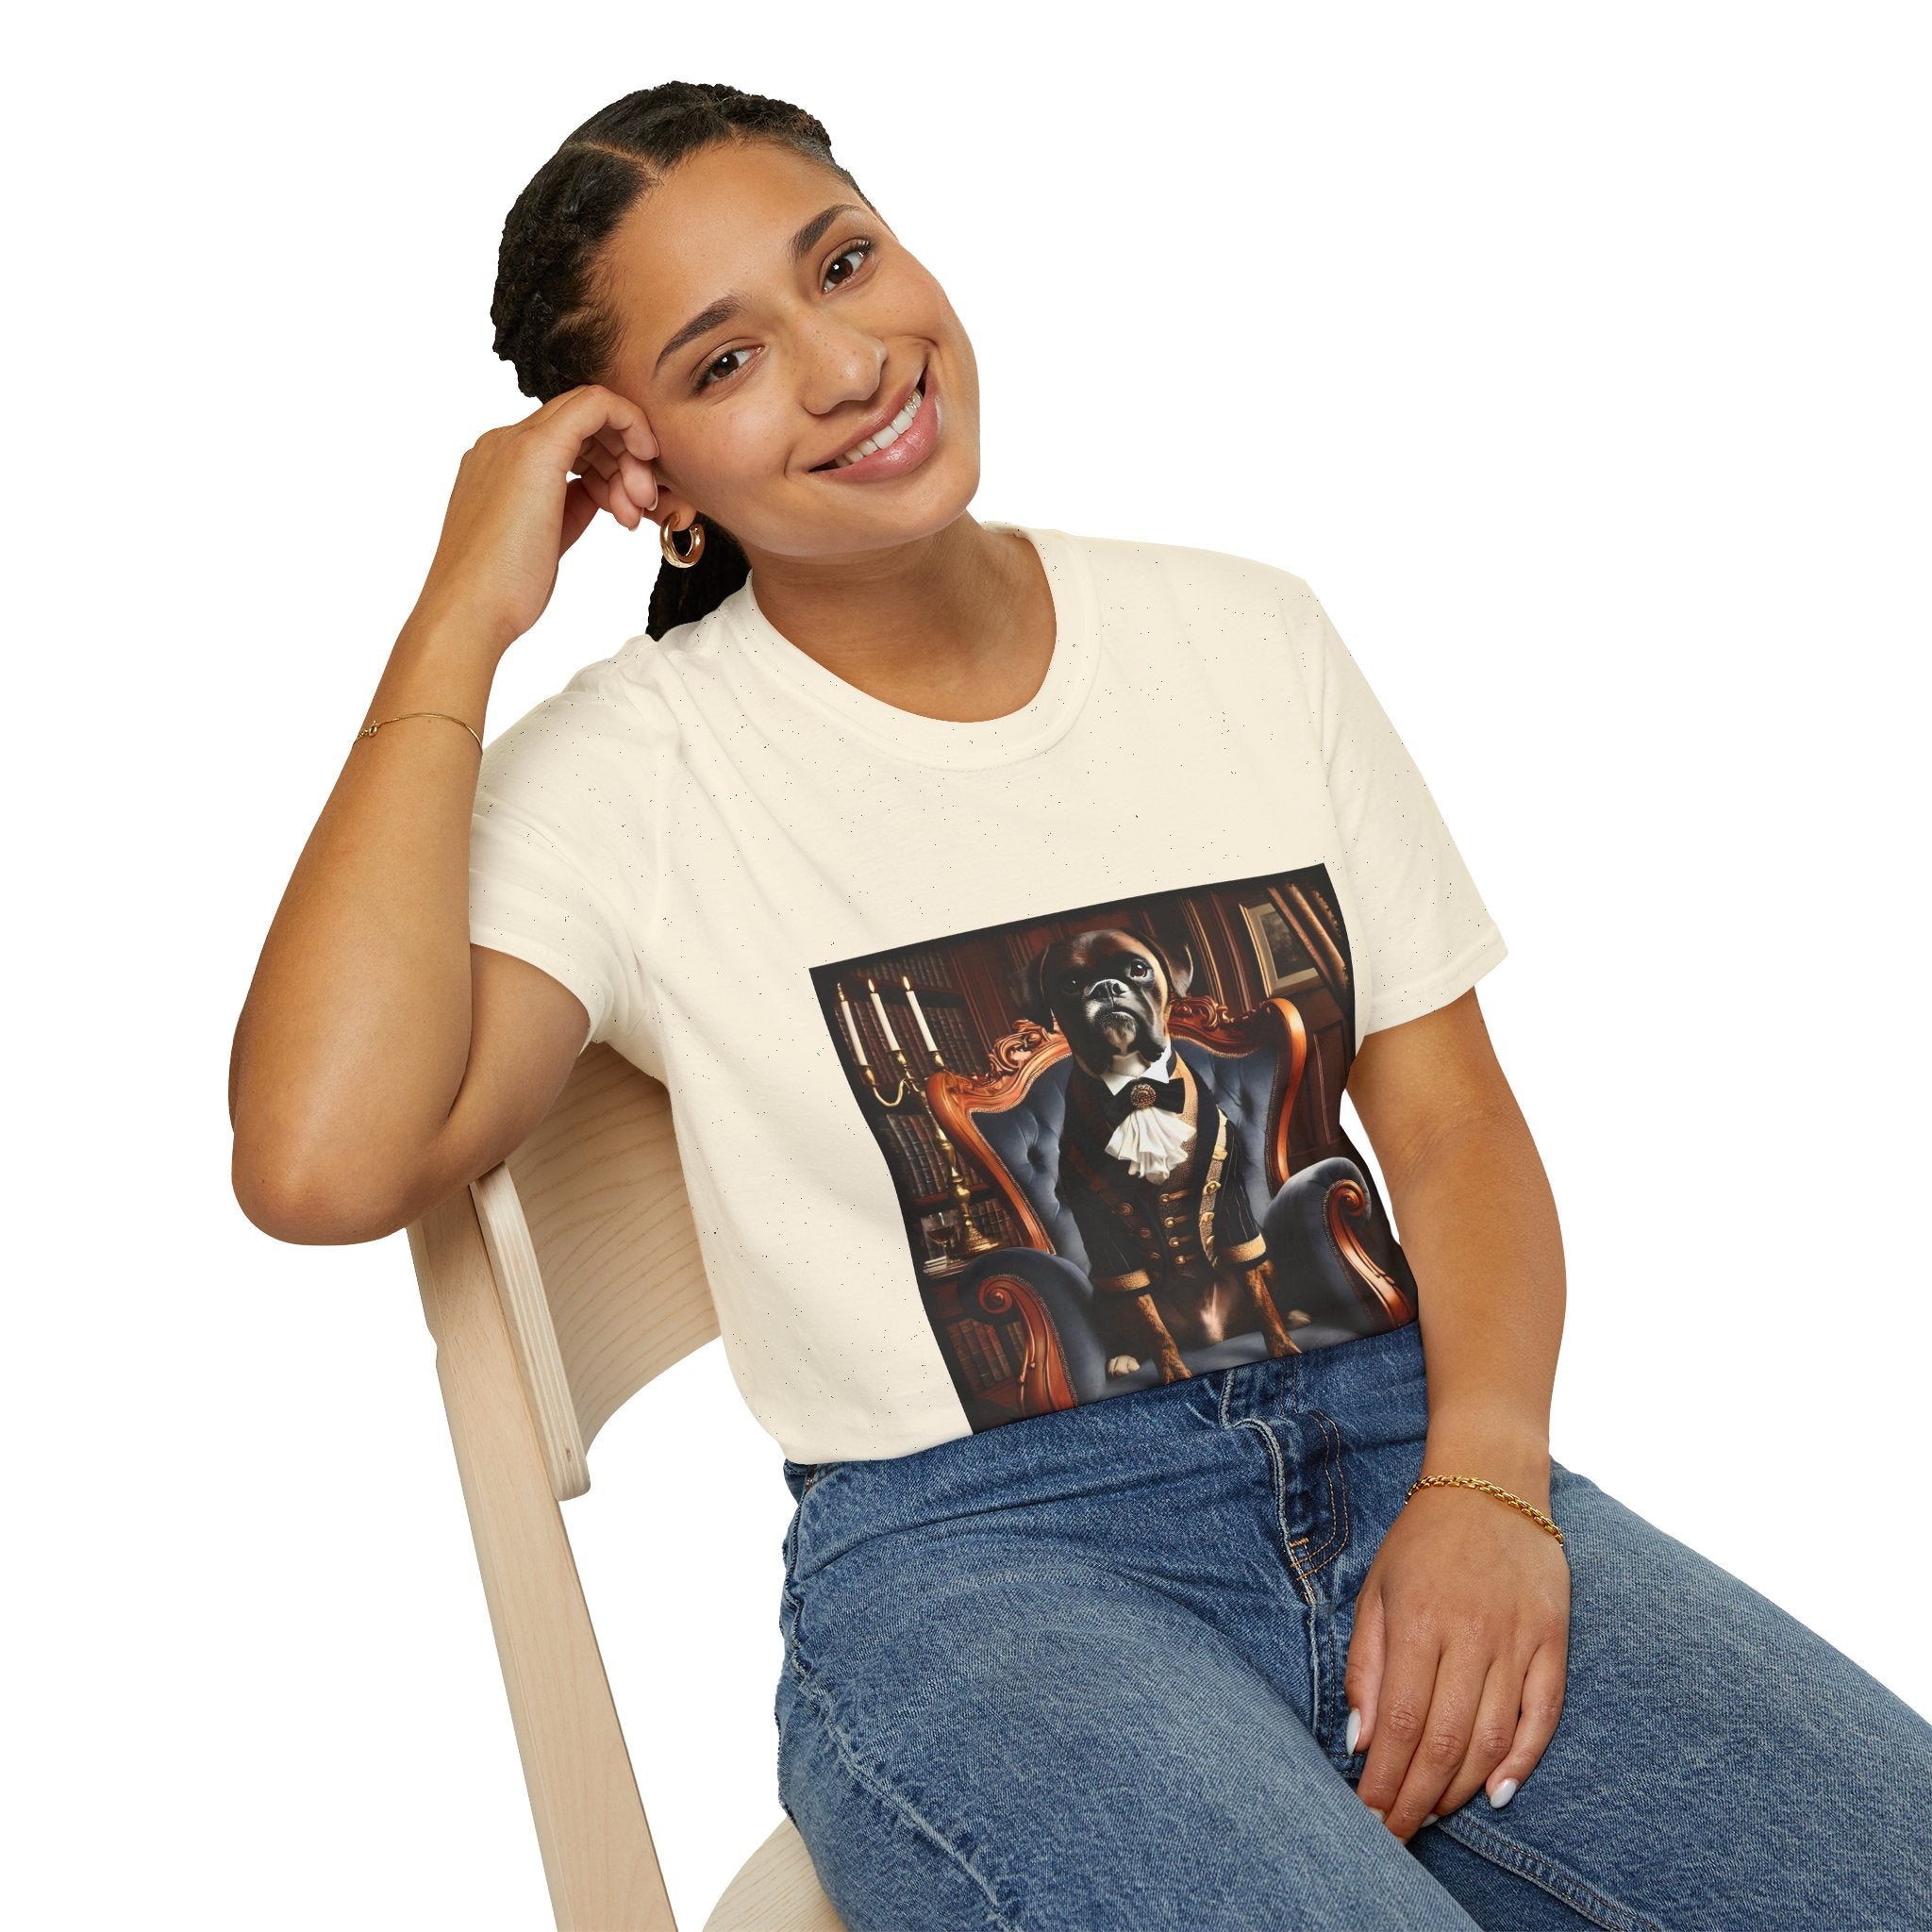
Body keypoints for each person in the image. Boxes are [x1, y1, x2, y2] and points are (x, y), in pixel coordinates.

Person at [228, 81, 1932, 1931]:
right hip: (988, 1570)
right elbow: (319, 1160)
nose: (846, 365)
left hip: (1405, 1447)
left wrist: (1490, 1486)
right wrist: (458, 618)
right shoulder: (636, 774)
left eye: (843, 264)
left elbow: (1450, 1130)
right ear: (650, 480)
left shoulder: (1245, 636)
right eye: (726, 361)